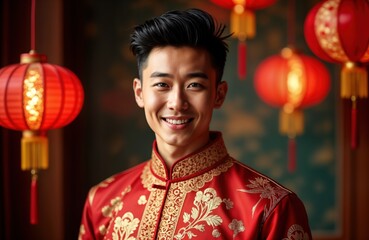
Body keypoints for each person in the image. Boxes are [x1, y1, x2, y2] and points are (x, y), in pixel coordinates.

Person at [79, 8, 312, 239]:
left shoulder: (270, 208)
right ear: (139, 92)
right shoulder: (103, 200)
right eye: (162, 84)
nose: (177, 103)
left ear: (219, 94)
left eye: (194, 85)